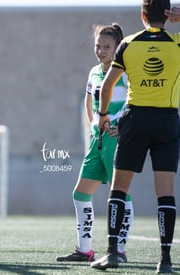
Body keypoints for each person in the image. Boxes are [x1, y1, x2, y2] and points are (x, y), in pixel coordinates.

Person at [90, 1, 180, 274]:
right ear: (168, 14)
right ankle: (165, 260)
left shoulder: (128, 43)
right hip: (167, 121)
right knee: (165, 192)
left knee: (118, 190)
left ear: (142, 15)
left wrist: (103, 114)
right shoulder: (177, 44)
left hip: (135, 119)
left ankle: (111, 254)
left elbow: (107, 86)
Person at [56, 23, 134, 264]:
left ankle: (119, 250)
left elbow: (134, 102)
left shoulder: (125, 72)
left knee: (120, 194)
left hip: (115, 140)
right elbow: (89, 102)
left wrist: (119, 123)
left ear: (117, 48)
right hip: (97, 140)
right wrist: (92, 124)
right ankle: (85, 250)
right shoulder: (93, 72)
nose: (100, 51)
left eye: (106, 47)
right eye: (97, 46)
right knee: (80, 193)